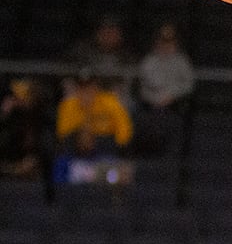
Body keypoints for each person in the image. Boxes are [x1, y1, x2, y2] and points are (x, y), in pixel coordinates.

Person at [135, 22, 194, 156]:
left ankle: (171, 158)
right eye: (163, 41)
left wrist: (172, 95)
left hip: (174, 106)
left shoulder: (181, 61)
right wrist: (156, 100)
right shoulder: (149, 61)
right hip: (151, 107)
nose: (166, 45)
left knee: (175, 124)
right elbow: (143, 88)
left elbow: (188, 85)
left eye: (170, 41)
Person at [55, 76, 132, 154]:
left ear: (97, 88)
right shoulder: (68, 105)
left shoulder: (110, 102)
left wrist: (100, 140)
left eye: (90, 87)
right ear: (77, 89)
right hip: (76, 152)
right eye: (82, 88)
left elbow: (124, 133)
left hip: (105, 149)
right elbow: (63, 134)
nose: (86, 92)